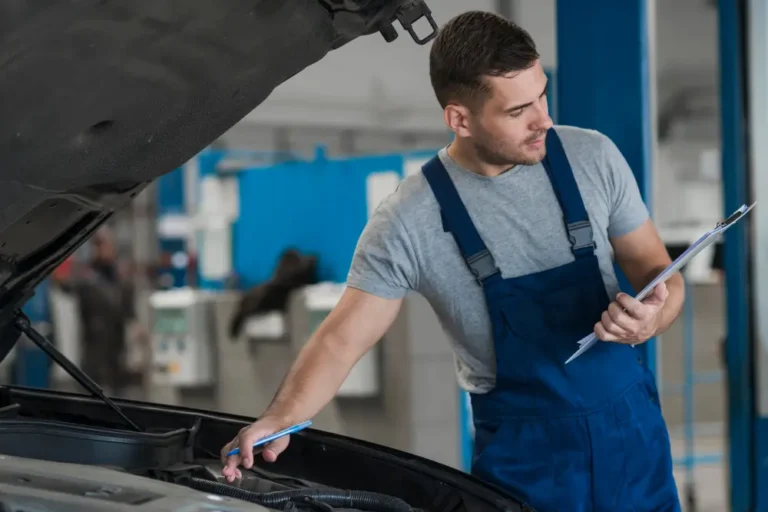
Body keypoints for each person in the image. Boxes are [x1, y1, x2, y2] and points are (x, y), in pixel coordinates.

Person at [221, 10, 684, 511]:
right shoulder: (410, 218)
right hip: (528, 465)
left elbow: (660, 275)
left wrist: (652, 318)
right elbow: (341, 337)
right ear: (459, 118)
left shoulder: (592, 158)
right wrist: (281, 416)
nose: (543, 119)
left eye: (542, 94)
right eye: (517, 111)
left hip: (634, 442)